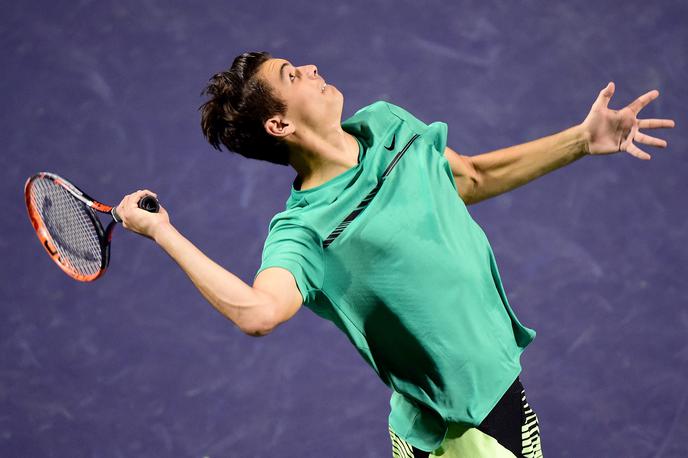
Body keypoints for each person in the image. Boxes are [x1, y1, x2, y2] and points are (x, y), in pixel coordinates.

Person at [115, 51, 675, 457]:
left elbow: (470, 176)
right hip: (465, 427)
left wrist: (582, 140)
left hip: (466, 402)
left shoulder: (388, 124)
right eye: (292, 76)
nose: (310, 68)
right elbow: (258, 312)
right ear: (280, 123)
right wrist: (163, 232)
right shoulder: (305, 232)